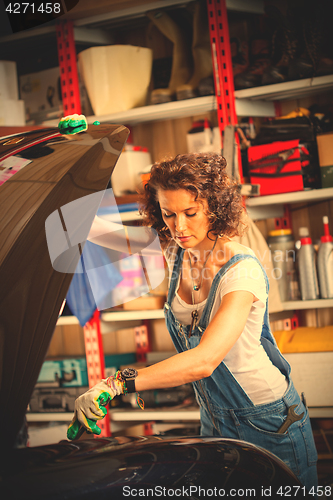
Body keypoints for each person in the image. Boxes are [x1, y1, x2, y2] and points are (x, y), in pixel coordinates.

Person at [67, 152, 318, 491]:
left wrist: (115, 384)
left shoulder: (241, 270)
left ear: (213, 207)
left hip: (269, 423)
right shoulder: (174, 253)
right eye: (169, 214)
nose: (179, 226)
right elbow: (92, 248)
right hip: (213, 420)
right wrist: (75, 163)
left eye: (190, 212)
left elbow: (204, 360)